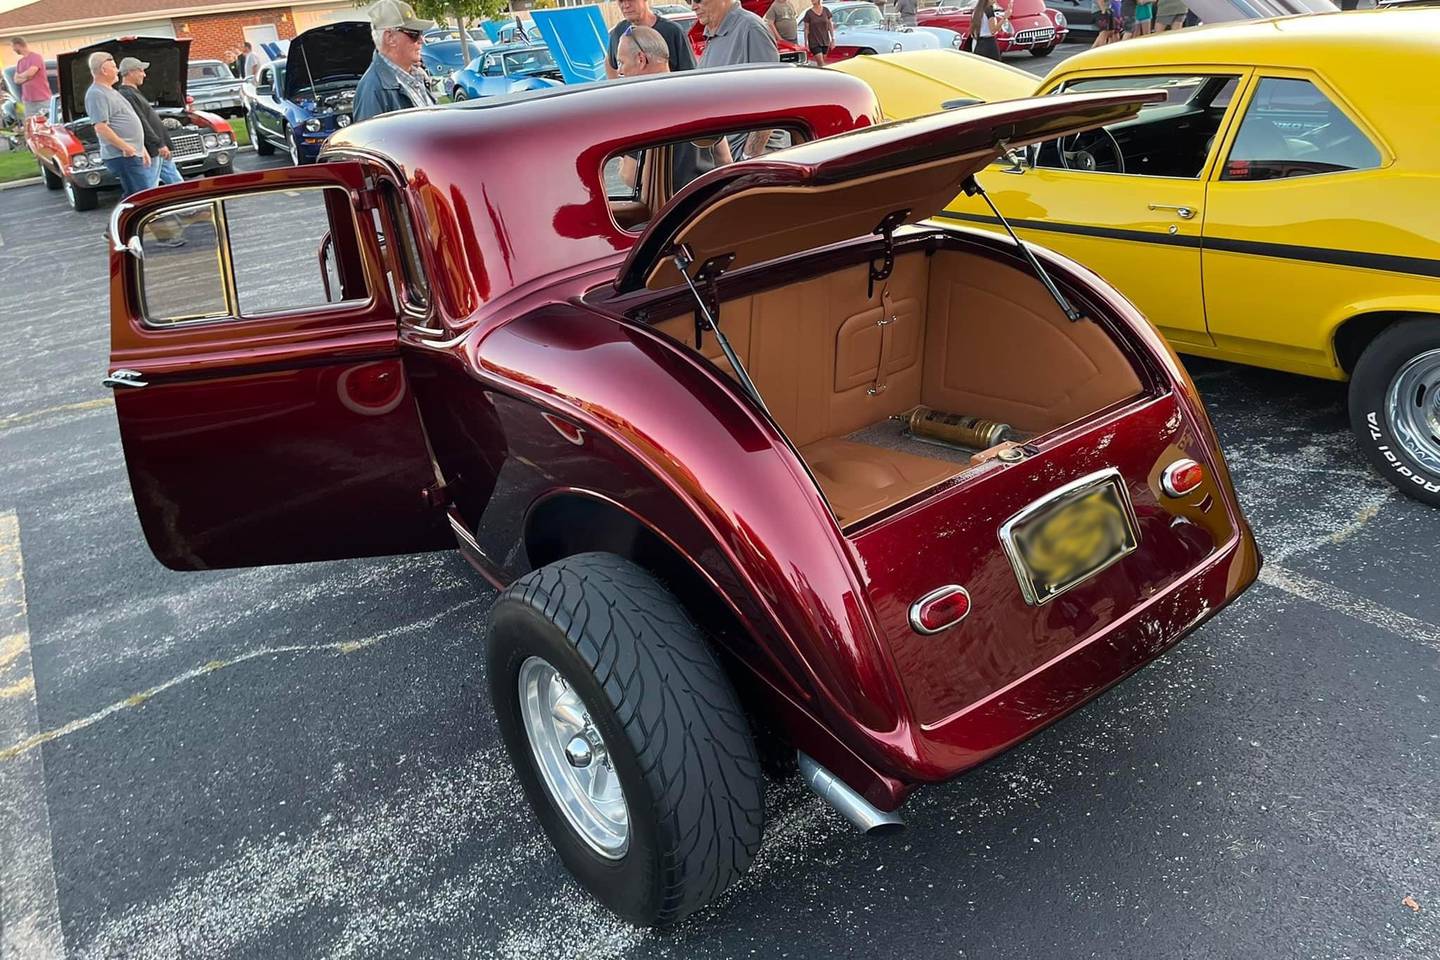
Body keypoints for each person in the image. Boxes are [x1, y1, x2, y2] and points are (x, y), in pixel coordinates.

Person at [353, 0, 437, 124]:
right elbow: (371, 142)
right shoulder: (373, 90)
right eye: (414, 34)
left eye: (421, 33)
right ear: (390, 38)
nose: (421, 40)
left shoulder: (417, 76)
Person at [83, 51, 151, 198]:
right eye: (113, 67)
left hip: (132, 153)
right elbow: (101, 127)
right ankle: (132, 221)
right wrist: (126, 148)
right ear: (103, 70)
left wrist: (141, 148)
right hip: (122, 156)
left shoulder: (111, 91)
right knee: (141, 196)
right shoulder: (96, 94)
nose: (117, 71)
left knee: (136, 195)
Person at [116, 57, 182, 188]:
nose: (144, 74)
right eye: (141, 71)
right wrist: (158, 143)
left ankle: (188, 205)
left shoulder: (133, 92)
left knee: (176, 181)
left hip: (157, 147)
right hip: (151, 149)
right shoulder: (127, 95)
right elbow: (141, 121)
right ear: (130, 72)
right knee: (150, 186)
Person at [604, 0, 695, 79]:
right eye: (621, 1)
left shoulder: (673, 31)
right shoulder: (618, 32)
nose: (626, 5)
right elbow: (610, 63)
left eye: (631, 0)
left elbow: (689, 73)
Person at [694, 0, 778, 69]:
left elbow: (766, 85)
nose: (693, 7)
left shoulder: (751, 29)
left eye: (697, 0)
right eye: (689, 1)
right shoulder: (713, 32)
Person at [11, 37, 51, 123]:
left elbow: (31, 72)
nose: (13, 50)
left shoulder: (36, 57)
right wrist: (26, 77)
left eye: (13, 47)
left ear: (18, 45)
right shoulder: (20, 62)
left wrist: (22, 76)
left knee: (47, 122)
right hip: (28, 101)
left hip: (42, 99)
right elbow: (16, 80)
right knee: (30, 124)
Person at [799, 0, 834, 66]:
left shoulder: (826, 10)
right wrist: (806, 43)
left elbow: (830, 25)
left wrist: (833, 39)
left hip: (825, 40)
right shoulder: (808, 13)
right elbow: (806, 29)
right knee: (821, 62)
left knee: (822, 61)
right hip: (814, 41)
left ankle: (820, 74)